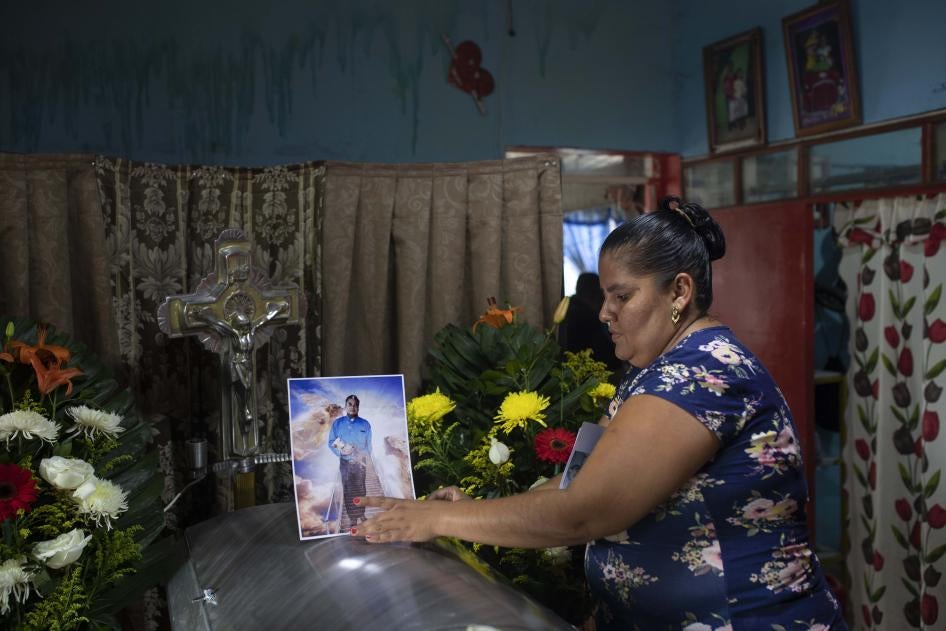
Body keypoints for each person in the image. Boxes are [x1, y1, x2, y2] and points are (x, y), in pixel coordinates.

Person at [355, 196, 846, 629]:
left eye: (622, 296)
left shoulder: (704, 375)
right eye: (606, 295)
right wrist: (465, 509)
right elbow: (580, 477)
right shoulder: (652, 370)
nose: (604, 312)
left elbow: (585, 511)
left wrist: (436, 521)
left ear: (679, 292)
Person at [560, 272, 622, 375]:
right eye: (603, 296)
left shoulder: (568, 309)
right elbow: (606, 354)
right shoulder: (586, 316)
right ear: (593, 294)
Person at [327, 394, 373, 527]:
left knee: (361, 489)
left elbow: (369, 446)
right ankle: (353, 517)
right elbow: (331, 442)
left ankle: (361, 514)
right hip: (345, 463)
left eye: (355, 405)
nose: (353, 407)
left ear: (358, 407)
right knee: (348, 490)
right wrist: (342, 450)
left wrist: (363, 457)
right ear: (346, 406)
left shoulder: (365, 424)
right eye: (350, 404)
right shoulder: (338, 424)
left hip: (360, 463)